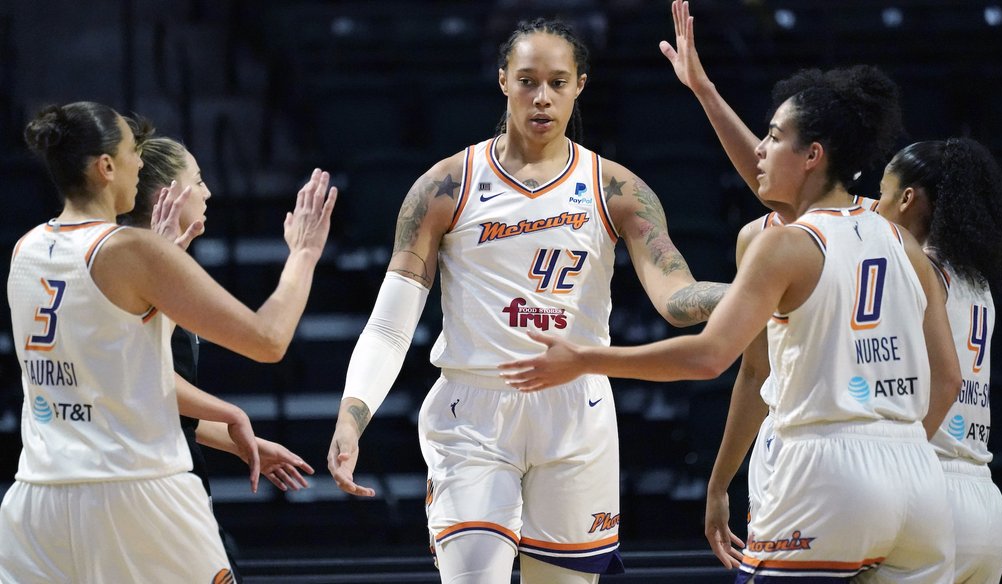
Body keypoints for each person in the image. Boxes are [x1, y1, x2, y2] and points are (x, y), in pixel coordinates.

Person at [500, 63, 963, 582]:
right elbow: (948, 376)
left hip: (827, 470)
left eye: (772, 136)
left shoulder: (784, 244)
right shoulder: (902, 242)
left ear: (813, 155)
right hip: (918, 480)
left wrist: (586, 359)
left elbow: (708, 356)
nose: (760, 150)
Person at [327, 17, 727, 584]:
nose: (542, 97)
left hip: (576, 409)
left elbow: (676, 296)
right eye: (527, 80)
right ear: (502, 81)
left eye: (558, 82)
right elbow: (391, 325)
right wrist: (352, 415)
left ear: (580, 86)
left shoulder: (616, 189)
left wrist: (744, 293)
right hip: (474, 409)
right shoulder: (445, 186)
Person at [662, 3, 1002, 580]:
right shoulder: (946, 265)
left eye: (885, 191)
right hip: (951, 485)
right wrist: (705, 92)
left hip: (835, 460)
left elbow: (782, 196)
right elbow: (775, 185)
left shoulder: (861, 235)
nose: (875, 202)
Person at [1, 101, 336, 583]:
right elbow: (268, 340)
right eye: (133, 151)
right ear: (106, 166)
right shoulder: (132, 249)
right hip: (135, 490)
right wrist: (303, 254)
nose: (141, 161)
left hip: (36, 500)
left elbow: (113, 370)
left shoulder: (26, 248)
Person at [877, 138, 1002, 583]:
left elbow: (947, 382)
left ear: (906, 198)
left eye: (880, 191)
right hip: (985, 499)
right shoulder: (977, 284)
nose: (873, 206)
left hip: (933, 489)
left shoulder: (916, 270)